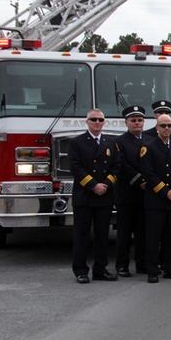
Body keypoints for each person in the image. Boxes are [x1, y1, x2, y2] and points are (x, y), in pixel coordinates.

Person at [69, 109, 121, 284]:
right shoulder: (77, 143)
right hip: (84, 196)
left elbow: (116, 166)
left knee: (101, 235)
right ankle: (80, 270)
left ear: (104, 122)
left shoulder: (110, 143)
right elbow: (75, 168)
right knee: (81, 235)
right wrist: (93, 185)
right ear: (87, 122)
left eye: (100, 120)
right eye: (93, 120)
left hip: (104, 196)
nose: (97, 123)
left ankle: (100, 268)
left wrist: (105, 184)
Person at [139, 113, 171, 282]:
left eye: (169, 126)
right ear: (157, 128)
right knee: (154, 237)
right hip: (156, 200)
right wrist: (165, 191)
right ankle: (152, 270)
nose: (167, 129)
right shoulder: (148, 147)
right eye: (163, 126)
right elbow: (149, 173)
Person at [114, 105, 149, 277]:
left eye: (140, 120)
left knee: (143, 233)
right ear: (126, 122)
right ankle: (122, 265)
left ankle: (142, 264)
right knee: (124, 233)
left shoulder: (150, 140)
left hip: (146, 194)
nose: (137, 123)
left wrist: (149, 180)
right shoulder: (119, 142)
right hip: (127, 194)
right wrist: (139, 180)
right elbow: (121, 165)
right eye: (133, 120)